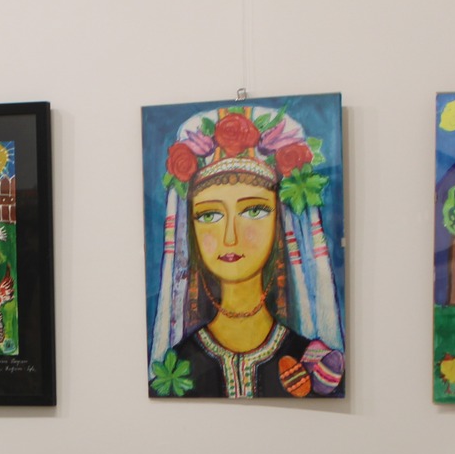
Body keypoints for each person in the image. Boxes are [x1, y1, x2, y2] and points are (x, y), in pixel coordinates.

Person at [147, 104, 343, 399]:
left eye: (253, 210)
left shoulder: (313, 364)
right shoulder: (178, 367)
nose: (230, 237)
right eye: (210, 215)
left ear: (281, 223)